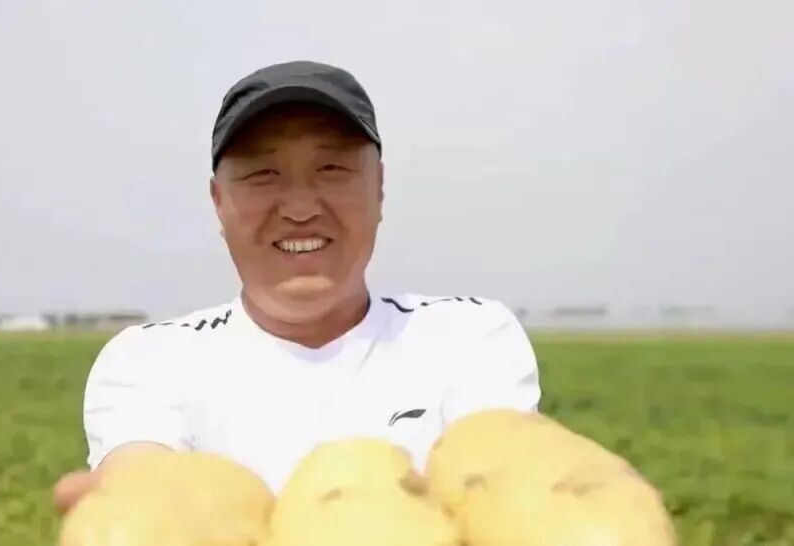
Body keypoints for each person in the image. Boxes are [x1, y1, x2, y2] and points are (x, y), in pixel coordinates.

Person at [52, 60, 542, 514]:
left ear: (379, 187)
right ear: (218, 201)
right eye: (263, 174)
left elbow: (505, 476)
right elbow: (141, 481)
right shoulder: (149, 360)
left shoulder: (467, 336)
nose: (301, 208)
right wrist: (138, 509)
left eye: (332, 170)